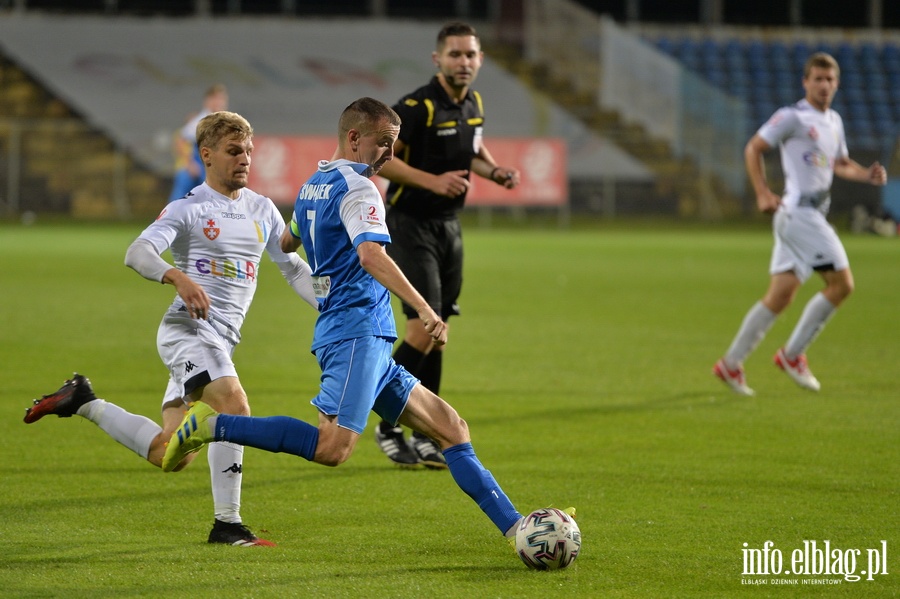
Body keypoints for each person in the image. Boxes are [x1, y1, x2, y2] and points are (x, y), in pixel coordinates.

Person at [161, 98, 567, 550]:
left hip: (359, 330)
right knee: (332, 448)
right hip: (357, 333)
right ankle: (210, 426)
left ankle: (518, 530)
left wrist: (323, 264)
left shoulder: (314, 184)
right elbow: (371, 254)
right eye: (385, 144)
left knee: (451, 427)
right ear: (355, 139)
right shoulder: (359, 188)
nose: (390, 155)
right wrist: (426, 309)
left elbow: (288, 238)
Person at [24, 110, 318, 546]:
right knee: (234, 409)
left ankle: (83, 401)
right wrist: (176, 276)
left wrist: (330, 307)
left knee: (169, 453)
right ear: (207, 155)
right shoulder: (190, 207)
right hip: (188, 332)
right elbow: (137, 252)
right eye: (234, 151)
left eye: (249, 152)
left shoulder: (262, 209)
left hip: (219, 341)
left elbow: (292, 269)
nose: (245, 160)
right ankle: (228, 524)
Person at [374, 22, 521, 469]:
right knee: (423, 328)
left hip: (448, 227)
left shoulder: (472, 103)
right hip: (410, 224)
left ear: (479, 60)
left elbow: (472, 147)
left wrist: (494, 171)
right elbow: (381, 159)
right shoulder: (416, 108)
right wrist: (433, 181)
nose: (464, 62)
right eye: (455, 54)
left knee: (437, 337)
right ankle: (387, 424)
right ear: (437, 59)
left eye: (471, 55)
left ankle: (427, 431)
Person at [713, 52, 887, 396]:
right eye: (818, 79)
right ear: (805, 82)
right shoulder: (791, 117)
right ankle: (792, 355)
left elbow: (839, 163)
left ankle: (730, 364)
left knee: (779, 297)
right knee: (842, 285)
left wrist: (865, 174)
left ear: (837, 84)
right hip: (799, 214)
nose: (824, 85)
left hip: (806, 216)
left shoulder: (833, 121)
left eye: (830, 80)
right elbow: (753, 148)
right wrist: (762, 192)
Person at [169, 84, 229, 203]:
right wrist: (189, 163)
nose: (219, 102)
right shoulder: (202, 120)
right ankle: (168, 219)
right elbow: (181, 140)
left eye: (221, 99)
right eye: (216, 99)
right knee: (182, 188)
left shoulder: (226, 120)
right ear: (208, 101)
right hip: (201, 165)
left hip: (215, 166)